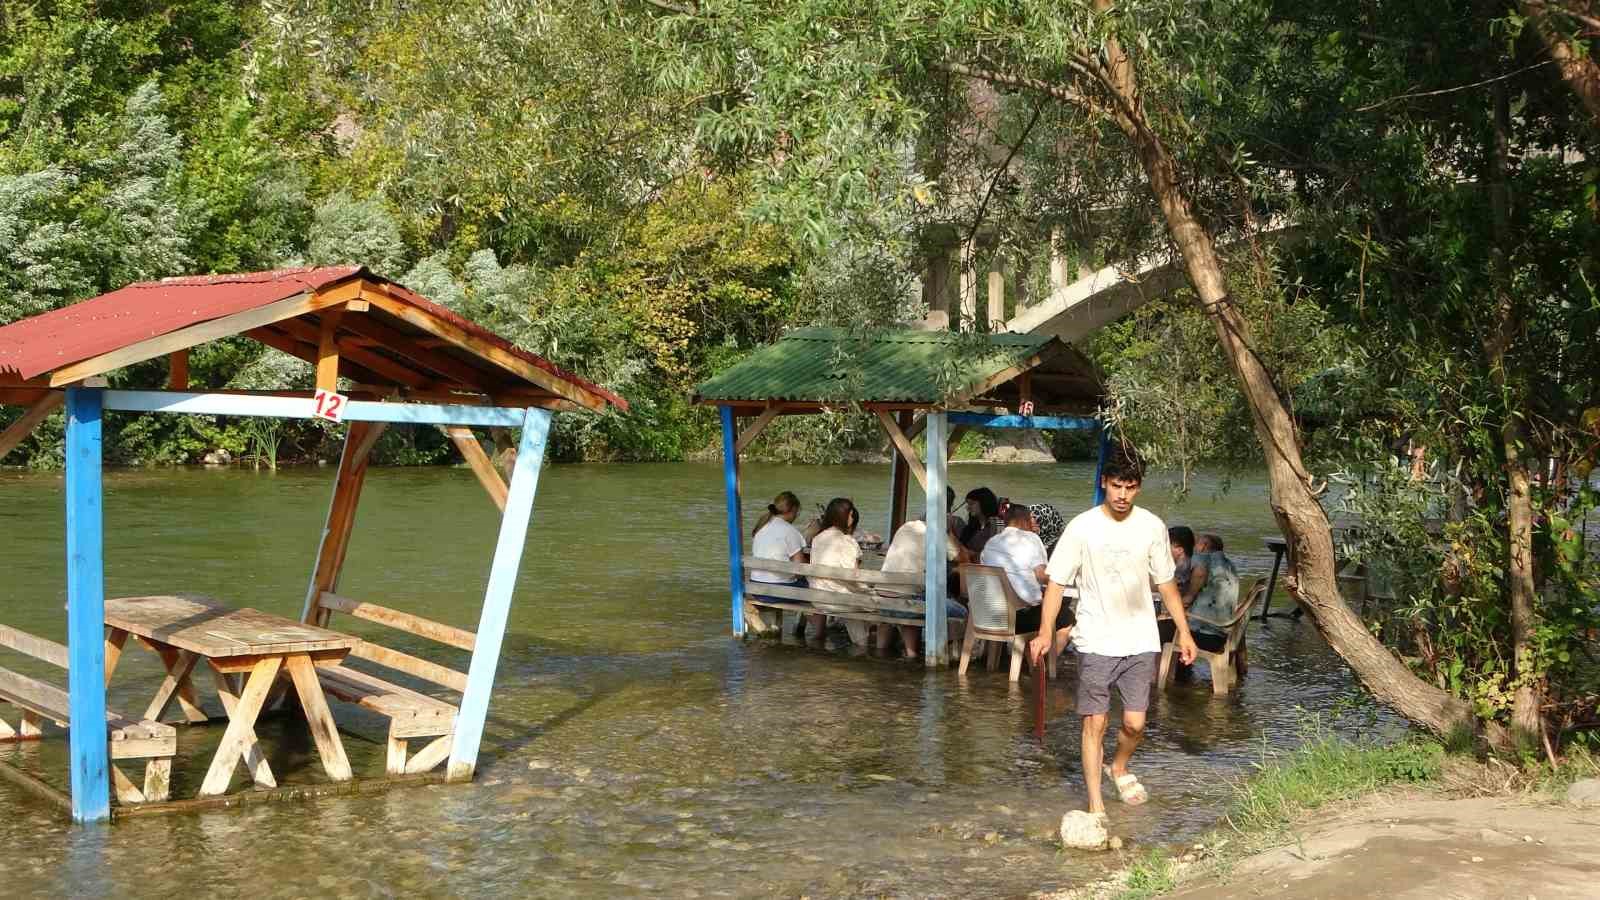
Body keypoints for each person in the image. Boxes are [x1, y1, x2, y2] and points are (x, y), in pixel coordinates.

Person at [1027, 446, 1197, 817]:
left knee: (1135, 724)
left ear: (1139, 488)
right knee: (1095, 724)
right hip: (1096, 638)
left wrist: (1184, 632)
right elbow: (1055, 584)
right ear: (1104, 482)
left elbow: (1166, 585)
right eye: (1116, 485)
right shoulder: (1082, 527)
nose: (1122, 495)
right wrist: (1044, 633)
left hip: (1140, 638)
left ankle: (1118, 766)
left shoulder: (1152, 527)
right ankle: (1096, 805)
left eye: (1130, 487)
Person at [877, 509, 965, 658]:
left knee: (913, 597)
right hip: (909, 602)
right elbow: (961, 557)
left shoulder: (906, 527)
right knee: (962, 611)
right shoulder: (937, 533)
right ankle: (946, 656)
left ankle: (881, 652)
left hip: (882, 598)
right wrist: (950, 533)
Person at [981, 502, 1074, 643]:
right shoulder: (1031, 539)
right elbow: (1042, 576)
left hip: (989, 614)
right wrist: (1066, 575)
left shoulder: (991, 543)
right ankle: (1040, 661)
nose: (1032, 523)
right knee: (1067, 617)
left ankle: (1011, 658)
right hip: (1018, 618)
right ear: (1024, 520)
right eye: (1031, 519)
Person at [807, 497, 864, 639]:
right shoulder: (848, 541)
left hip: (817, 598)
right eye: (851, 514)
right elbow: (854, 577)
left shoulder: (817, 538)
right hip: (841, 602)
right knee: (873, 602)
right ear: (843, 516)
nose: (852, 517)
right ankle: (862, 643)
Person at [960, 487, 1003, 555]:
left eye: (972, 503)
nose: (968, 508)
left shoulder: (998, 524)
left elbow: (999, 550)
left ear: (984, 503)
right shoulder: (971, 527)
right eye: (968, 504)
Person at [1168, 526, 1196, 597]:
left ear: (1180, 550)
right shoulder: (1190, 561)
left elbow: (1170, 586)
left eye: (1167, 545)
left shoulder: (1181, 566)